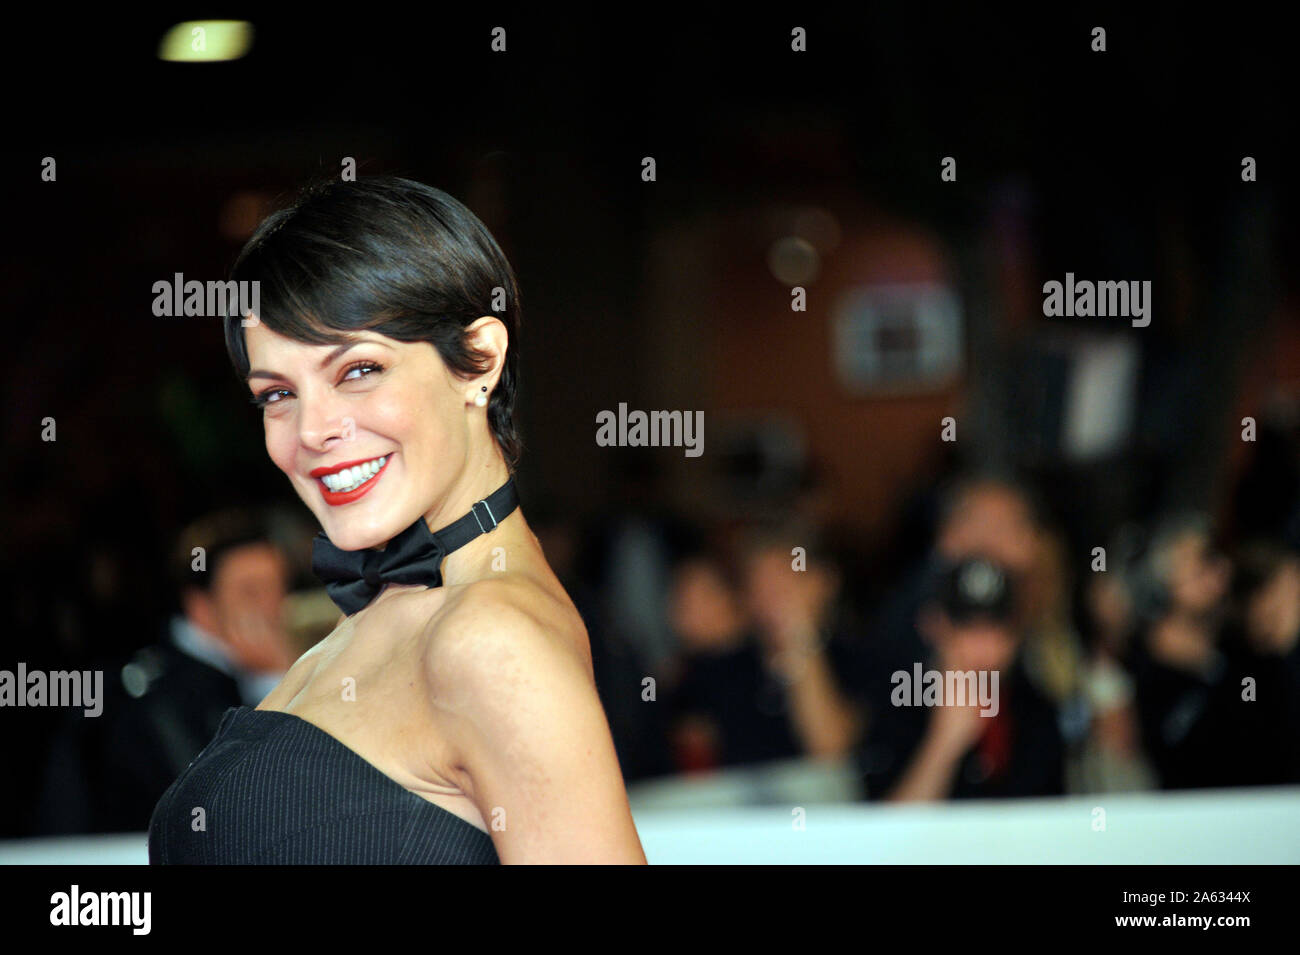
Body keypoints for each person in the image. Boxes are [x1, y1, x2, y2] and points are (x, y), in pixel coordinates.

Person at [149, 176, 647, 864]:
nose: (315, 428)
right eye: (278, 393)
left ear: (480, 360)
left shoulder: (490, 642)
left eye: (357, 370)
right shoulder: (404, 606)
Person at [36, 508, 295, 834]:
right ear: (200, 606)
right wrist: (276, 681)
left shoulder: (220, 678)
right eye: (250, 592)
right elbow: (247, 808)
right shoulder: (156, 698)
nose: (272, 607)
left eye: (278, 588)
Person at [859, 555, 1065, 801]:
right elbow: (882, 834)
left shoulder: (1036, 710)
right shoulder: (899, 702)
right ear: (934, 626)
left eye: (995, 626)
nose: (982, 643)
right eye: (966, 625)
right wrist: (944, 742)